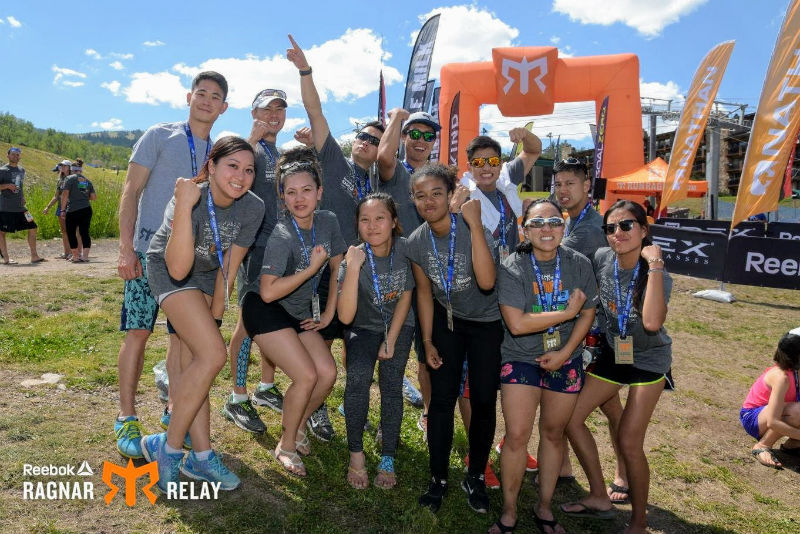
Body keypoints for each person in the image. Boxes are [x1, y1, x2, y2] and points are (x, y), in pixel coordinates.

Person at [115, 71, 228, 459]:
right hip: (149, 252)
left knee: (181, 341)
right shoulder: (160, 135)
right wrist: (125, 247)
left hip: (190, 264)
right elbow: (131, 191)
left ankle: (172, 409)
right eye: (202, 93)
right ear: (188, 97)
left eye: (215, 96)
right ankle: (126, 417)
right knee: (138, 333)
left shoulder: (219, 152)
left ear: (223, 107)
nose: (207, 101)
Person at [141, 135, 263, 492]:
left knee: (193, 360)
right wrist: (183, 206)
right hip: (169, 267)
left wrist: (217, 309)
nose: (240, 176)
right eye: (232, 166)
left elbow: (232, 264)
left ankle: (201, 454)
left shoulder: (252, 207)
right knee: (212, 354)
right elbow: (178, 269)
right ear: (211, 166)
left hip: (210, 276)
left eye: (249, 169)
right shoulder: (190, 197)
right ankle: (171, 449)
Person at [288, 34, 393, 439]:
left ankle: (352, 403)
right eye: (363, 137)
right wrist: (305, 70)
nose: (366, 143)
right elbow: (314, 111)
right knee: (323, 338)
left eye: (375, 139)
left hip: (362, 272)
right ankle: (314, 409)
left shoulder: (377, 179)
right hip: (326, 267)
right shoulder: (334, 159)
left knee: (355, 345)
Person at [563, 200, 672, 534]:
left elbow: (652, 322)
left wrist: (653, 264)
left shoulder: (658, 274)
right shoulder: (601, 258)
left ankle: (638, 522)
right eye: (610, 228)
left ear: (643, 229)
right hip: (614, 353)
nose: (618, 233)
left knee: (628, 441)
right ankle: (598, 495)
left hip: (648, 362)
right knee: (569, 418)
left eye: (626, 225)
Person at [490, 199, 597, 534]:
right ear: (525, 229)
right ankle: (509, 511)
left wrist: (566, 352)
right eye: (538, 223)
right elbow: (518, 324)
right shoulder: (512, 265)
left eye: (553, 221)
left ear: (563, 226)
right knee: (517, 435)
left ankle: (544, 506)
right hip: (521, 357)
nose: (546, 229)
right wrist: (566, 313)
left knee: (553, 434)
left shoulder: (578, 263)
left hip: (565, 358)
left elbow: (590, 312)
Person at [242, 146, 345, 476]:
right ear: (282, 198)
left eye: (306, 190)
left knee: (327, 374)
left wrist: (329, 314)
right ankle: (286, 446)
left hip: (300, 312)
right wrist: (309, 268)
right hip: (265, 309)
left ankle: (297, 427)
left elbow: (338, 265)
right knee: (306, 375)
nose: (299, 198)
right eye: (290, 192)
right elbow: (269, 291)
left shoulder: (328, 221)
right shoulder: (282, 234)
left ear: (319, 193)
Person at [407, 162, 501, 514]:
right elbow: (423, 292)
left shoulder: (472, 226)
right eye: (420, 195)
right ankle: (438, 478)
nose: (429, 201)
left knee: (482, 401)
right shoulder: (417, 242)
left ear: (451, 195)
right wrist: (428, 341)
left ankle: (475, 473)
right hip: (446, 324)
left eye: (436, 193)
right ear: (413, 200)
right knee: (442, 401)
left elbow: (488, 282)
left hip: (486, 324)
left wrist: (474, 224)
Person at [450, 131, 542, 486]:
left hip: (514, 289)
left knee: (512, 372)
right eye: (478, 162)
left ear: (499, 163)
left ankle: (509, 440)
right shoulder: (463, 192)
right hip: (478, 295)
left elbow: (534, 149)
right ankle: (478, 453)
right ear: (470, 166)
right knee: (473, 381)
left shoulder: (507, 182)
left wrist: (525, 136)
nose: (486, 168)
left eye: (492, 161)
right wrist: (454, 208)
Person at [553, 156, 628, 503]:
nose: (563, 190)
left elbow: (552, 261)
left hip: (600, 335)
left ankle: (619, 475)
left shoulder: (591, 228)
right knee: (607, 406)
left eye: (571, 183)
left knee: (588, 408)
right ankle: (570, 468)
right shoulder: (571, 222)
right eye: (558, 184)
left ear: (587, 186)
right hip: (588, 332)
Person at [223, 88, 290, 435]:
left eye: (280, 109)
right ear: (253, 113)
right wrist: (249, 140)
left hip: (278, 249)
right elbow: (230, 179)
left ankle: (264, 387)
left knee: (273, 320)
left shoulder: (276, 151)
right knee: (247, 324)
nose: (274, 115)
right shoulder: (246, 147)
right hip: (254, 248)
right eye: (267, 109)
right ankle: (236, 397)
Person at [337, 193, 415, 489]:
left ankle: (388, 456)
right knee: (357, 379)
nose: (372, 226)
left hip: (398, 324)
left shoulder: (405, 249)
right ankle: (356, 455)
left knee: (392, 383)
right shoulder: (353, 257)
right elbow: (345, 317)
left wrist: (391, 340)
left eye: (380, 218)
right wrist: (354, 267)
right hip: (362, 326)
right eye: (365, 220)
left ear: (394, 222)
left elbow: (407, 294)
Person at [376, 108, 443, 437]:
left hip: (429, 279)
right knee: (389, 347)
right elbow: (384, 156)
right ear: (403, 136)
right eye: (413, 133)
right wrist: (399, 117)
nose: (420, 140)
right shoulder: (395, 172)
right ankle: (383, 423)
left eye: (428, 136)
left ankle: (430, 414)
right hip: (393, 276)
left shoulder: (437, 177)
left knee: (427, 348)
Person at [741, 328, 800, 469]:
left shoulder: (797, 372)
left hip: (779, 414)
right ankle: (762, 445)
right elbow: (773, 421)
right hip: (755, 418)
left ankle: (793, 445)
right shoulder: (782, 377)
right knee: (797, 411)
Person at [0, 147, 46, 264]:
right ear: (8, 156)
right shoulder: (3, 170)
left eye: (18, 155)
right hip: (5, 208)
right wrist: (6, 186)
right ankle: (6, 259)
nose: (16, 157)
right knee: (1, 232)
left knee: (33, 226)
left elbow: (20, 186)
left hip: (20, 207)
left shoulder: (22, 170)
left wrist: (23, 196)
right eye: (13, 154)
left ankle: (34, 256)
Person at [60, 162, 96, 263]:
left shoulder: (69, 179)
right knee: (84, 232)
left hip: (73, 209)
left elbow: (65, 194)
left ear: (72, 169)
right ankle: (85, 256)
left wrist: (62, 210)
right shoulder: (87, 181)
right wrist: (83, 197)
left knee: (71, 232)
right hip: (86, 209)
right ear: (81, 170)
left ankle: (75, 256)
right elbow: (93, 197)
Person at [43, 159, 78, 259]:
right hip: (60, 207)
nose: (62, 167)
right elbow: (56, 196)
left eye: (64, 165)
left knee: (72, 230)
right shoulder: (60, 181)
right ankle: (66, 252)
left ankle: (73, 252)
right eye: (61, 165)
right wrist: (48, 207)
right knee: (64, 231)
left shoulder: (73, 179)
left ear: (69, 168)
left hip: (71, 208)